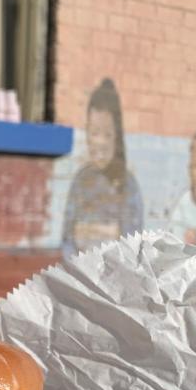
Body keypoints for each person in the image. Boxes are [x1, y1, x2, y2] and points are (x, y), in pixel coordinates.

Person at [61, 79, 144, 259]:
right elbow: (67, 239)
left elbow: (133, 249)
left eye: (107, 134)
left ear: (117, 136)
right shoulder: (80, 182)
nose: (100, 142)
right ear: (87, 134)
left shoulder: (128, 186)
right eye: (94, 133)